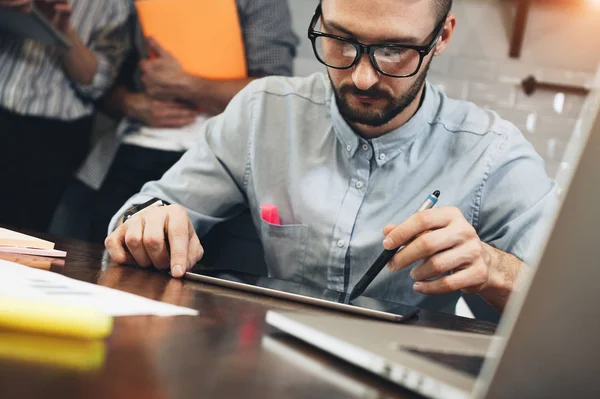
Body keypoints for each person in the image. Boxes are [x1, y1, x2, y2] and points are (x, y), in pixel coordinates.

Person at [104, 0, 556, 313]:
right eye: (340, 39)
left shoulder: (493, 154)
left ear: (441, 37)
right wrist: (151, 224)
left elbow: (569, 313)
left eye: (394, 50)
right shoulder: (263, 111)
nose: (360, 78)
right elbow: (146, 211)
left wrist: (494, 267)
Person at [52, 0, 298, 243]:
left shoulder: (263, 4)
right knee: (101, 244)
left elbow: (273, 95)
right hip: (135, 147)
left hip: (221, 156)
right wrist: (130, 103)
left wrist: (185, 84)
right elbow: (101, 83)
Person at [0, 0, 130, 232]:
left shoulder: (117, 4)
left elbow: (99, 84)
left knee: (23, 238)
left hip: (52, 136)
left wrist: (63, 30)